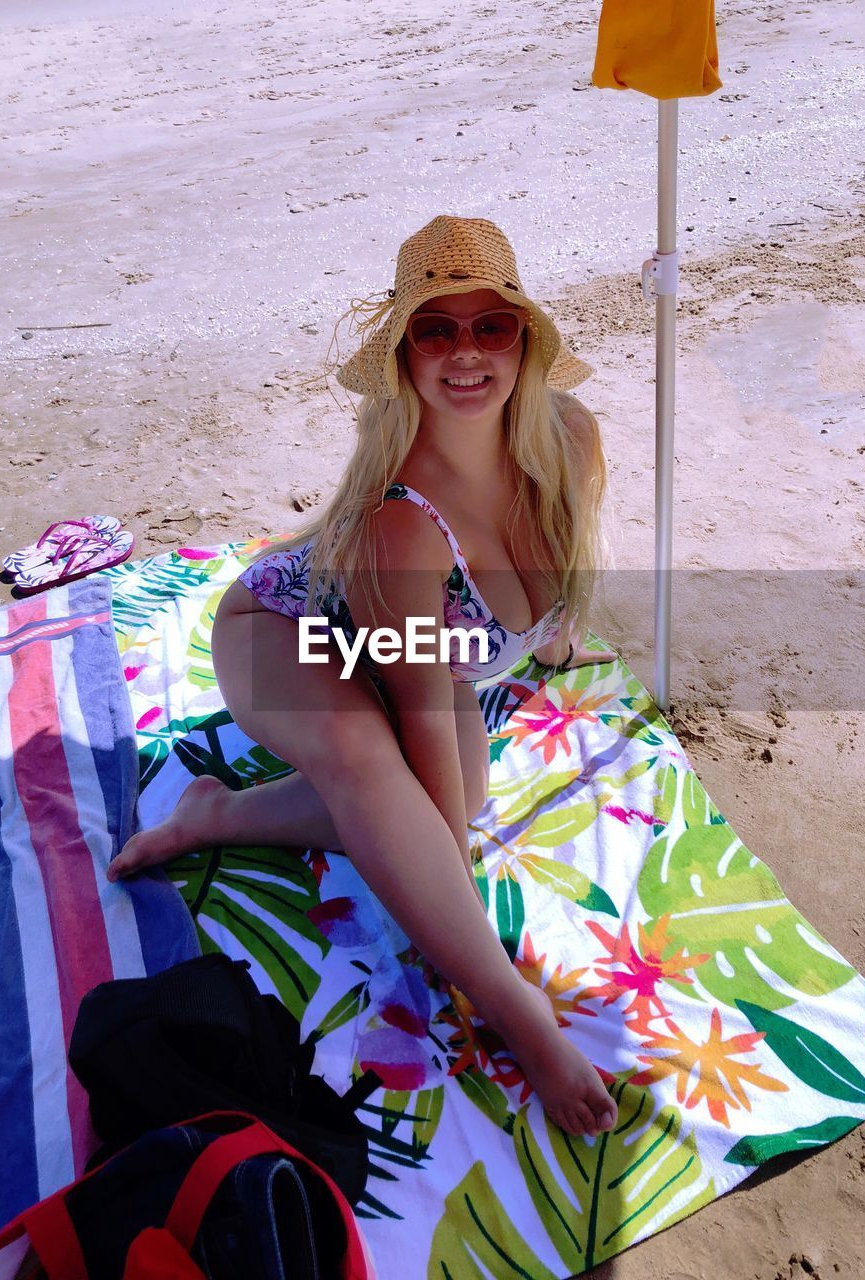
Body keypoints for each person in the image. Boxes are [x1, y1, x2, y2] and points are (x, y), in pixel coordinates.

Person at [108, 215, 619, 1138]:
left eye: (489, 326)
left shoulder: (570, 440)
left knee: (448, 805)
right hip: (282, 634)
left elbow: (562, 579)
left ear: (525, 341)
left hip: (406, 646)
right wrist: (462, 925)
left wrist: (553, 650)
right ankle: (519, 1015)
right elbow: (420, 736)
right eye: (435, 329)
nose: (465, 353)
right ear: (405, 355)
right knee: (377, 768)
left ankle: (217, 814)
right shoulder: (404, 526)